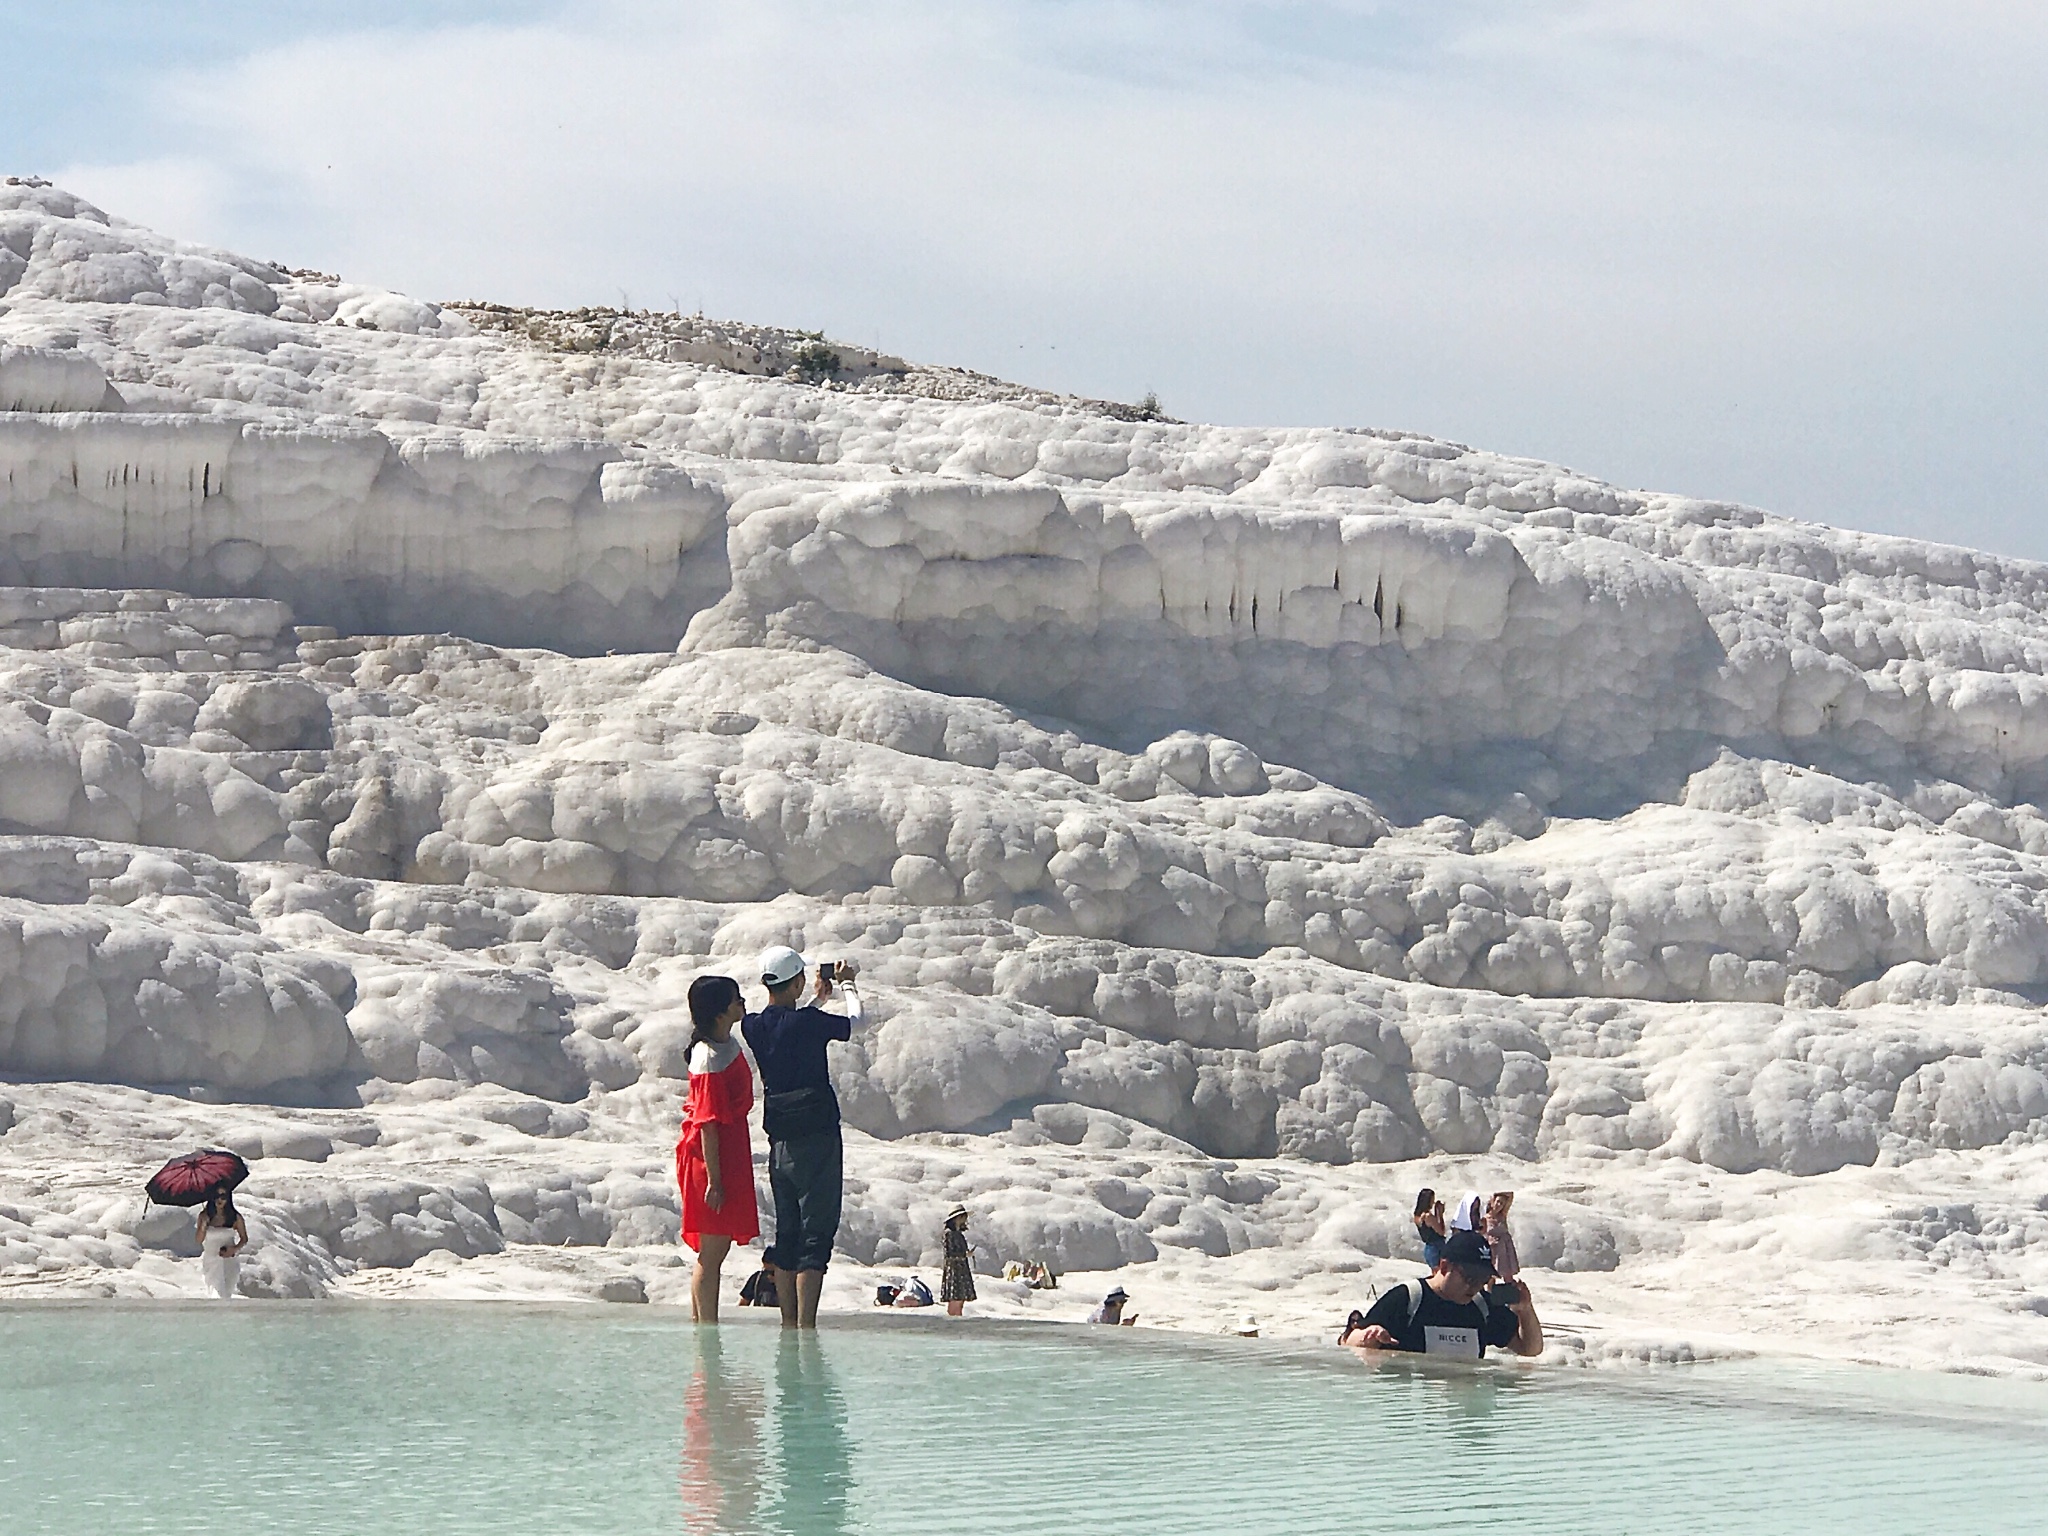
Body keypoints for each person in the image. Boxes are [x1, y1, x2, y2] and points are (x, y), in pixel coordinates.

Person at [743, 946, 863, 1329]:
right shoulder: (810, 1023)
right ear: (795, 982)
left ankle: (788, 1324)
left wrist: (814, 998)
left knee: (788, 1231)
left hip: (780, 1138)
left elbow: (789, 1025)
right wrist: (848, 985)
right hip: (819, 1136)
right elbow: (857, 1022)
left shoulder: (753, 1027)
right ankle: (807, 1327)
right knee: (816, 1232)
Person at [677, 974, 759, 1323]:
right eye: (736, 999)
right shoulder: (708, 1057)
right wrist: (715, 1179)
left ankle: (704, 1327)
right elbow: (707, 1123)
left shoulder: (726, 1045)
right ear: (721, 1011)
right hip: (711, 1159)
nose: (742, 1003)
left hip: (728, 1152)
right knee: (712, 1252)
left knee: (716, 1248)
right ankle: (706, 1333)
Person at [1339, 1230, 1542, 1359]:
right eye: (1470, 1277)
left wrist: (1525, 1311)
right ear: (1445, 1266)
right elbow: (1347, 1342)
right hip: (1413, 1415)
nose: (1475, 1286)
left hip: (1465, 1415)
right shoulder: (1408, 1298)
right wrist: (1369, 1336)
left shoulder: (1482, 1306)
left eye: (1483, 1279)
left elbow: (1530, 1349)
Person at [195, 1185, 247, 1300]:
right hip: (211, 1261)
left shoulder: (234, 1217)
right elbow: (199, 1240)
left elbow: (244, 1238)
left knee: (227, 1294)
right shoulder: (204, 1216)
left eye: (223, 1196)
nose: (219, 1200)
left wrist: (234, 1249)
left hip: (229, 1260)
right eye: (216, 1196)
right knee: (217, 1294)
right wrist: (203, 1226)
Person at [939, 1204, 975, 1317]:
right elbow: (949, 1254)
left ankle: (956, 1318)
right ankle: (953, 1319)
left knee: (960, 1299)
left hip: (960, 1269)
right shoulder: (949, 1234)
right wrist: (964, 1254)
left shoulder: (958, 1234)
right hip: (954, 1270)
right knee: (956, 1299)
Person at [1483, 1190, 1521, 1292]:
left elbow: (1511, 1195)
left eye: (1502, 1204)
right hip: (1493, 1249)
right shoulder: (1485, 1218)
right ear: (1493, 1201)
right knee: (1491, 1277)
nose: (1500, 1205)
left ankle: (1511, 1299)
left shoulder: (1502, 1215)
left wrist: (1498, 1195)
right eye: (1498, 1202)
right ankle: (1490, 1299)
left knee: (1508, 1277)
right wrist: (1494, 1196)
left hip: (1505, 1249)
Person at [1413, 1187, 1447, 1270]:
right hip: (1436, 1247)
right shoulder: (1428, 1216)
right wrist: (1440, 1214)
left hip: (1429, 1247)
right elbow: (1441, 1231)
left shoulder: (1417, 1216)